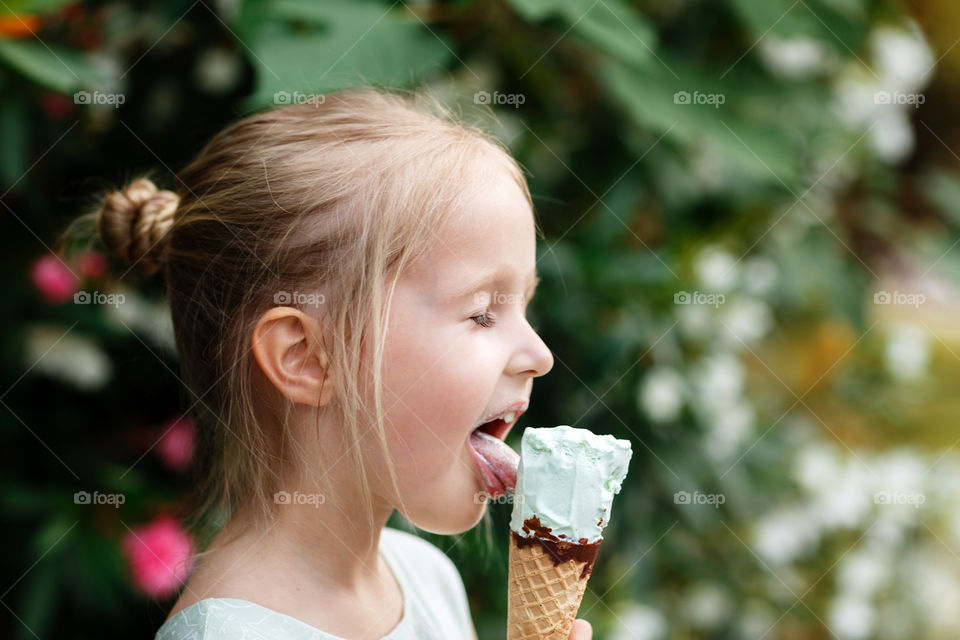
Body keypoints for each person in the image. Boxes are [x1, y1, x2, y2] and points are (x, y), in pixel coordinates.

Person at [74, 87, 592, 639]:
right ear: (307, 358)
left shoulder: (425, 578)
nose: (540, 355)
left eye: (526, 306)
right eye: (483, 313)